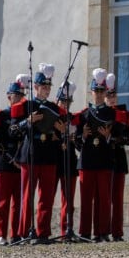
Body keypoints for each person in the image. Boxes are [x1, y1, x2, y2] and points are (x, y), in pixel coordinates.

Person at [11, 63, 66, 244]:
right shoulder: (25, 105)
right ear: (35, 87)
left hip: (49, 153)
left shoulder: (56, 108)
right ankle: (25, 232)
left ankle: (43, 232)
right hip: (31, 154)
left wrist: (60, 129)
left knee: (47, 196)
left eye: (49, 87)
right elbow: (12, 130)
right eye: (43, 87)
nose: (47, 90)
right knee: (28, 195)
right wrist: (27, 121)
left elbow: (61, 133)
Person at [76, 68, 119, 242]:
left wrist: (109, 136)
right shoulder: (84, 114)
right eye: (97, 91)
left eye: (102, 91)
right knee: (86, 199)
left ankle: (102, 232)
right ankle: (85, 233)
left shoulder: (112, 113)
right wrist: (83, 136)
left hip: (104, 159)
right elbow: (77, 141)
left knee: (103, 198)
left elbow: (118, 136)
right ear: (91, 92)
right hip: (86, 160)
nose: (99, 95)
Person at [0, 75, 27, 245]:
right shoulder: (0, 116)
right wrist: (13, 159)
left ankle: (17, 234)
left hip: (20, 164)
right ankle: (1, 234)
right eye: (15, 95)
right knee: (3, 201)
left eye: (20, 95)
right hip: (6, 164)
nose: (18, 98)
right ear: (9, 96)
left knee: (18, 202)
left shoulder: (25, 117)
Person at [104, 73, 129, 242]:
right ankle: (103, 230)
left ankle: (117, 232)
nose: (112, 99)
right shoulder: (100, 113)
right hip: (104, 158)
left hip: (119, 158)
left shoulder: (123, 113)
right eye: (109, 96)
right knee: (105, 197)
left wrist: (117, 137)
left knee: (118, 198)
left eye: (113, 95)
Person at [54, 81, 79, 239]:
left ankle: (66, 231)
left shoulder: (74, 119)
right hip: (53, 160)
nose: (65, 104)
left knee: (68, 200)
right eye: (63, 101)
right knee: (47, 198)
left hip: (69, 160)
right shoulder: (52, 116)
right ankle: (44, 231)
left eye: (68, 101)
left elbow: (78, 142)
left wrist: (75, 137)